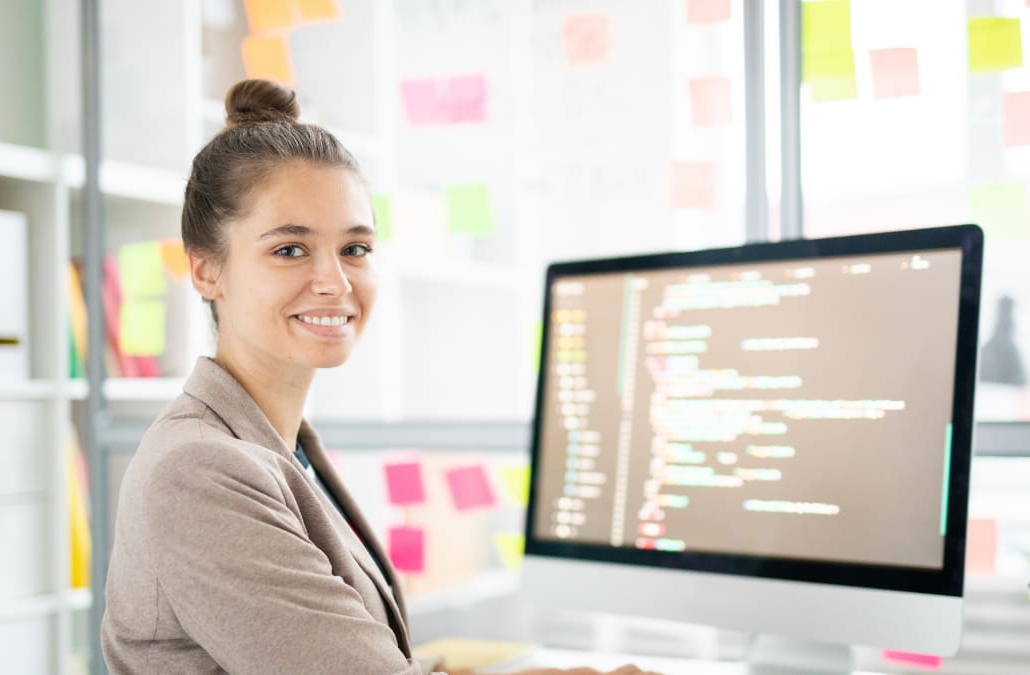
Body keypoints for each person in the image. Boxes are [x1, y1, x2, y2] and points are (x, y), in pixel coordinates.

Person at [100, 79, 657, 675]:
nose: (335, 282)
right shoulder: (199, 470)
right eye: (290, 249)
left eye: (355, 249)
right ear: (207, 270)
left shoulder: (278, 448)